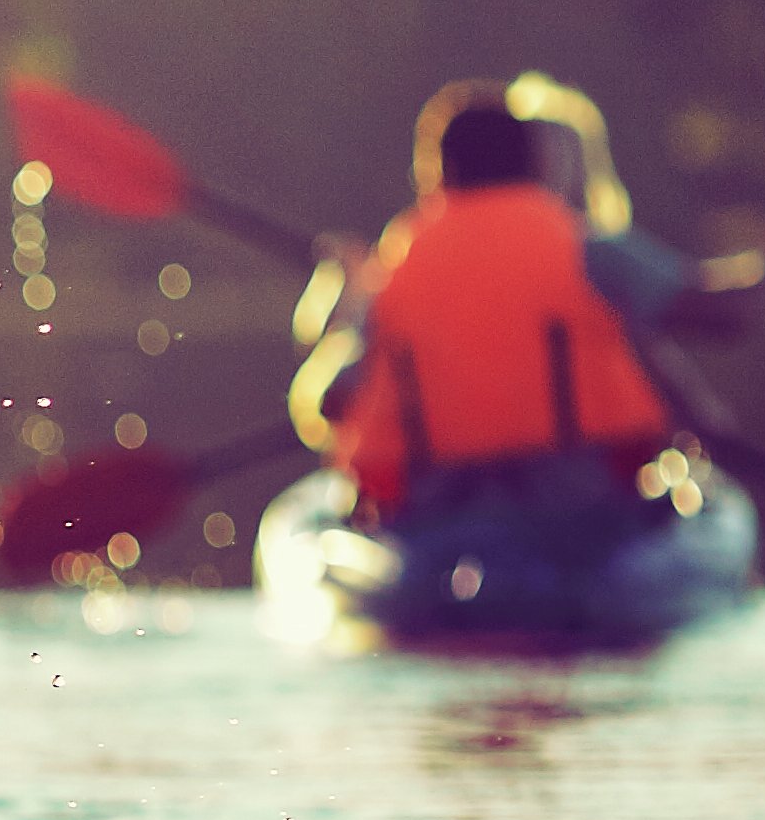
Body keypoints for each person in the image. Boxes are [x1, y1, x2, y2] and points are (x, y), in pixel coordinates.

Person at [288, 85, 675, 518]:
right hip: (582, 518)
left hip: (435, 525)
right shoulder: (592, 254)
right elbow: (713, 315)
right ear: (536, 165)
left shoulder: (395, 269)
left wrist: (352, 296)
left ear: (438, 173)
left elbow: (329, 402)